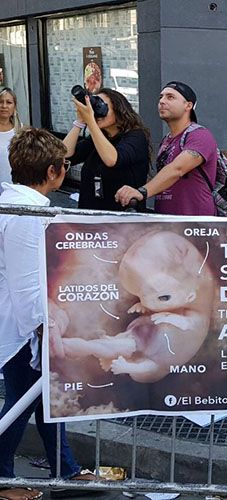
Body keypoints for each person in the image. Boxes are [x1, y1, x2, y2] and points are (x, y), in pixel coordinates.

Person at [0, 128, 94, 500]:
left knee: (45, 400)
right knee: (23, 402)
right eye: (66, 165)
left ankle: (66, 471)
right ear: (55, 171)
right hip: (26, 329)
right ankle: (4, 478)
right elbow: (27, 287)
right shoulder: (26, 215)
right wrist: (45, 332)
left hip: (27, 325)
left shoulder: (17, 205)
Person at [115, 81, 218, 215]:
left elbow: (178, 169)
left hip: (195, 224)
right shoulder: (167, 140)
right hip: (167, 221)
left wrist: (142, 192)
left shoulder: (200, 135)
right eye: (161, 97)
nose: (162, 101)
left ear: (188, 105)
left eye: (170, 97)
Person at [63, 88, 150, 211]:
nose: (96, 112)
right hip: (90, 218)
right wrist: (80, 121)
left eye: (101, 106)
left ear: (119, 109)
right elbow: (64, 154)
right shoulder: (98, 138)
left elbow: (112, 159)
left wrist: (91, 121)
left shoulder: (136, 137)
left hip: (121, 220)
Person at [0, 87, 22, 187]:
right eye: (0, 102)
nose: (4, 106)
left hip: (14, 187)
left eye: (8, 102)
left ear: (15, 106)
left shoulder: (20, 130)